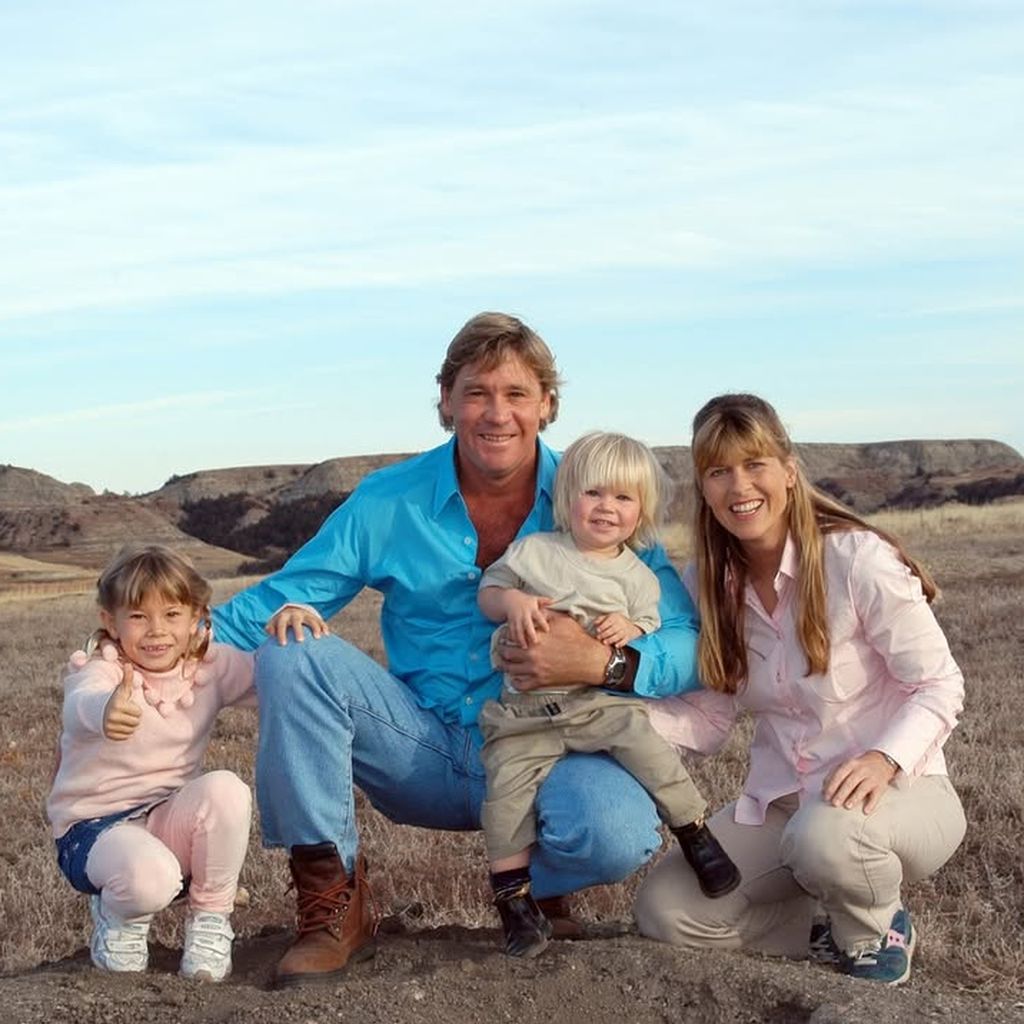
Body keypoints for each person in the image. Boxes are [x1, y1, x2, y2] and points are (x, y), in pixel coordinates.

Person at [212, 312, 703, 987]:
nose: (496, 413)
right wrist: (144, 648)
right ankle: (334, 901)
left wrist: (606, 664)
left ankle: (529, 887)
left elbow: (683, 636)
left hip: (554, 743)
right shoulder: (389, 499)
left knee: (619, 831)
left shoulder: (598, 497)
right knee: (292, 651)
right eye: (476, 392)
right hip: (424, 747)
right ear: (446, 401)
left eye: (517, 394)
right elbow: (280, 597)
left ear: (548, 405)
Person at [634, 393, 966, 987]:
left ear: (788, 469)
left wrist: (883, 757)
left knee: (826, 837)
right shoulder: (705, 585)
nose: (739, 486)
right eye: (718, 470)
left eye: (754, 463)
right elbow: (708, 722)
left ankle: (876, 931)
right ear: (704, 489)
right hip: (782, 808)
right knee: (666, 909)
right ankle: (824, 928)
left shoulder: (856, 558)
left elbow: (939, 685)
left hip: (902, 793)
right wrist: (611, 715)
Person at [477, 430, 740, 958]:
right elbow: (489, 590)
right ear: (568, 495)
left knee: (648, 749)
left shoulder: (640, 575)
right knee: (504, 797)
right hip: (524, 712)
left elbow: (650, 623)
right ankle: (515, 905)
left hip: (597, 703)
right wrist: (511, 605)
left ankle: (696, 834)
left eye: (623, 498)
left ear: (641, 511)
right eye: (593, 493)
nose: (606, 508)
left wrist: (629, 627)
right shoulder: (535, 551)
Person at [47, 544, 256, 982]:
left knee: (227, 791)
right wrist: (104, 711)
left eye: (172, 615)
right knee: (152, 880)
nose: (156, 631)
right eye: (138, 616)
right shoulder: (104, 670)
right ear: (111, 621)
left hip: (165, 818)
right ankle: (118, 917)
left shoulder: (210, 666)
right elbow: (79, 704)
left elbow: (278, 680)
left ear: (197, 615)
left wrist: (295, 625)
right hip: (94, 831)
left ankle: (210, 921)